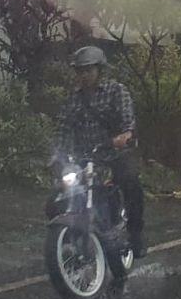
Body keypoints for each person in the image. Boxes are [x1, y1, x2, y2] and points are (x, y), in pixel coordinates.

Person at [55, 45, 146, 258]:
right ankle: (66, 238)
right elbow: (62, 128)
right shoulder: (73, 99)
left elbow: (127, 122)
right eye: (79, 71)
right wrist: (57, 155)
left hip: (114, 154)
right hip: (84, 158)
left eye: (88, 70)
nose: (84, 75)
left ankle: (136, 234)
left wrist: (123, 136)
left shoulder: (116, 91)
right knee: (57, 196)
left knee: (131, 182)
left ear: (99, 70)